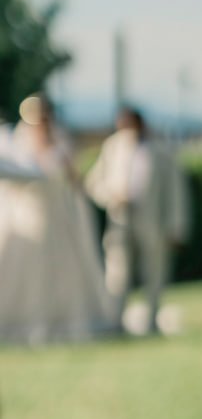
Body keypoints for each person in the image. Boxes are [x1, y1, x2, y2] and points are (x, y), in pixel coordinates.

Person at [0, 94, 117, 344]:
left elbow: (74, 180)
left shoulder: (61, 140)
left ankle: (62, 318)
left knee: (61, 266)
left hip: (55, 214)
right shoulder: (15, 142)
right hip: (26, 214)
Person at [86, 106, 190, 334]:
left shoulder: (161, 150)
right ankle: (116, 321)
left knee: (154, 272)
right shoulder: (112, 147)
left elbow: (175, 192)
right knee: (117, 273)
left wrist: (176, 226)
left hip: (153, 223)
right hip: (120, 221)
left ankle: (151, 321)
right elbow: (94, 183)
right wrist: (112, 196)